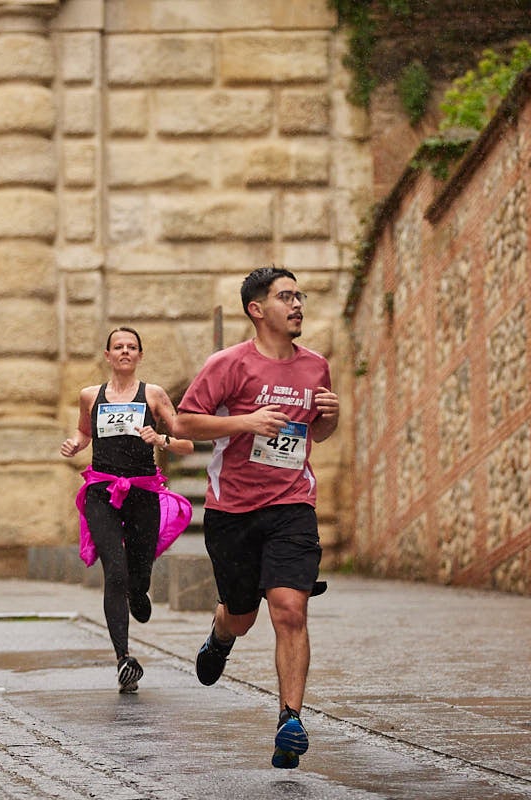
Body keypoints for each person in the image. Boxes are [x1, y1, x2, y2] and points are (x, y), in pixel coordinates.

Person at [171, 267, 339, 770]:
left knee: (290, 608)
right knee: (243, 616)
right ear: (256, 310)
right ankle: (220, 636)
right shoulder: (229, 364)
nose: (297, 304)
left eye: (298, 296)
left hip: (292, 505)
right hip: (233, 510)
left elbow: (317, 436)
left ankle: (290, 720)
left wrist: (330, 415)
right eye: (285, 297)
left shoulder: (316, 367)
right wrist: (245, 421)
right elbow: (183, 420)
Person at [60, 327, 193, 693]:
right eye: (118, 347)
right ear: (107, 355)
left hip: (143, 492)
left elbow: (186, 443)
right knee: (114, 573)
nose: (124, 352)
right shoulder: (90, 396)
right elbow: (84, 433)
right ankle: (124, 659)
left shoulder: (153, 395)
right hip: (102, 491)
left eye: (131, 347)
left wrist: (161, 438)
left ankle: (140, 590)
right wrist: (76, 443)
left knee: (139, 573)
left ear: (139, 356)